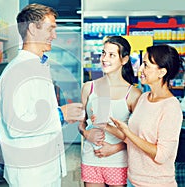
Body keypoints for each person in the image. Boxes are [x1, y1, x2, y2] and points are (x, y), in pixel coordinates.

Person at [0, 3, 84, 187]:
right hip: (30, 173)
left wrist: (63, 116)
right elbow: (16, 125)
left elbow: (37, 112)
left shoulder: (37, 65)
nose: (55, 35)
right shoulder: (17, 72)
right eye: (50, 29)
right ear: (32, 29)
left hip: (45, 167)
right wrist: (60, 114)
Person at [110, 44, 184, 187]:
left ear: (161, 72)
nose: (140, 69)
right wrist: (105, 125)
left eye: (146, 64)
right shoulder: (144, 98)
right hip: (133, 180)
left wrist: (128, 132)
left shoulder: (171, 107)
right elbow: (132, 139)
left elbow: (161, 155)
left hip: (156, 183)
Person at [78, 36, 142, 187]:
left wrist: (115, 148)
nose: (104, 59)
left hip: (118, 160)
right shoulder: (89, 87)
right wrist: (86, 133)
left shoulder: (133, 94)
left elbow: (138, 137)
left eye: (111, 55)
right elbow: (81, 124)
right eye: (103, 53)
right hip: (90, 157)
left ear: (124, 60)